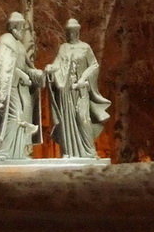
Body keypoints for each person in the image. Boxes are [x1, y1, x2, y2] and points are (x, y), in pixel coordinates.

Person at [44, 19, 111, 159]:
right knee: (68, 120)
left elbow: (94, 65)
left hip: (80, 90)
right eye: (68, 32)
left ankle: (89, 151)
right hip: (66, 91)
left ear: (77, 32)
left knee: (82, 118)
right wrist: (51, 68)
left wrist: (84, 78)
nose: (70, 34)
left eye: (73, 32)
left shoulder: (85, 48)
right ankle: (69, 151)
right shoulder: (64, 48)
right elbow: (58, 63)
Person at [0, 11, 44, 159]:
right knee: (13, 116)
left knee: (25, 117)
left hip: (22, 88)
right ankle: (4, 151)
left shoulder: (20, 46)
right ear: (14, 26)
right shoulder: (6, 40)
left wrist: (37, 74)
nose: (23, 31)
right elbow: (4, 67)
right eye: (21, 27)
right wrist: (21, 74)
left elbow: (26, 67)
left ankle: (21, 151)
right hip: (9, 88)